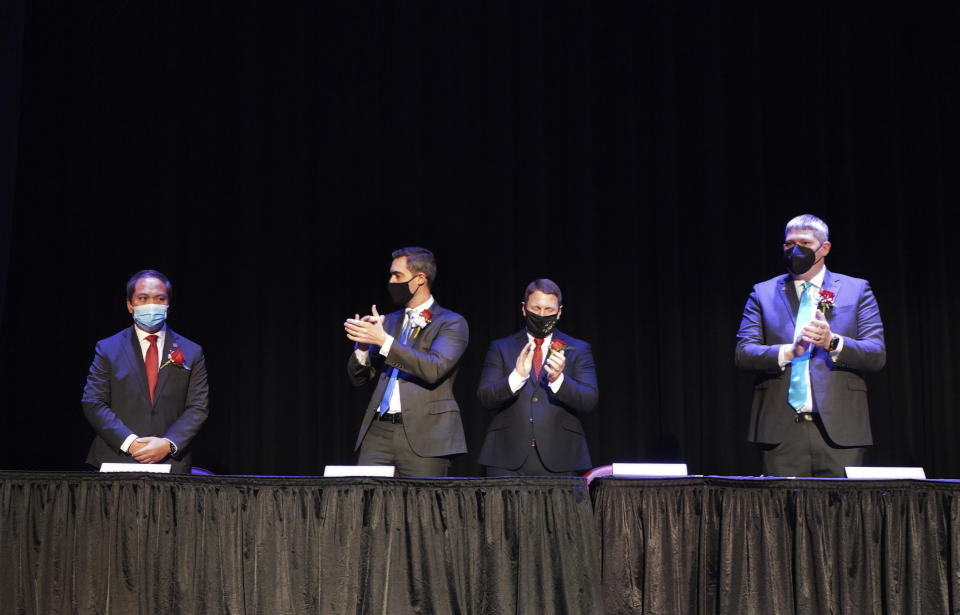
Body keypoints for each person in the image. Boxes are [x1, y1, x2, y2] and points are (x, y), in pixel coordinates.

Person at [735, 214, 886, 477]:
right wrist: (789, 352)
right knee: (781, 514)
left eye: (804, 243)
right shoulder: (762, 292)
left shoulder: (856, 289)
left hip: (841, 431)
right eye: (788, 243)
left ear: (824, 248)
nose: (795, 250)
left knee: (841, 515)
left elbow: (876, 354)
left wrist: (832, 342)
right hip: (781, 432)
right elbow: (743, 353)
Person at [344, 247, 468, 477]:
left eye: (397, 276)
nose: (391, 281)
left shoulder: (451, 323)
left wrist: (383, 341)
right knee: (368, 503)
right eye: (391, 275)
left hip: (426, 433)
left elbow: (434, 368)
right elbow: (359, 379)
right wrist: (362, 347)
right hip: (378, 432)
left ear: (420, 279)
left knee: (423, 508)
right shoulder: (388, 322)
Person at [81, 270, 209, 473]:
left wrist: (168, 443)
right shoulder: (108, 349)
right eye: (143, 298)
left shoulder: (191, 351)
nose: (152, 305)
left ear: (168, 304)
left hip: (170, 463)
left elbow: (197, 407)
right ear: (130, 305)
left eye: (160, 299)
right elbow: (93, 402)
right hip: (116, 459)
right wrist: (130, 443)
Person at [476, 279, 599, 476]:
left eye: (549, 310)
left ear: (559, 312)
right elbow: (485, 397)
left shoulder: (578, 349)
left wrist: (558, 381)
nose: (542, 315)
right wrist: (517, 376)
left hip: (561, 457)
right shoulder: (501, 347)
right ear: (524, 309)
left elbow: (589, 400)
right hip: (506, 458)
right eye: (536, 308)